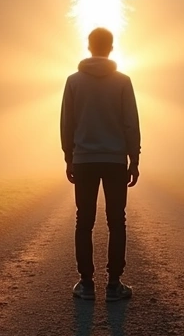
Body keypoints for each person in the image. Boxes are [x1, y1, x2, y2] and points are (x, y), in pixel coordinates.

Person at [60, 27, 140, 302]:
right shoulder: (123, 81)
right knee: (117, 222)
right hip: (116, 160)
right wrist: (134, 159)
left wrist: (68, 157)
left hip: (84, 160)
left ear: (89, 46)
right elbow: (131, 123)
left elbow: (67, 123)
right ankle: (114, 284)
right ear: (111, 47)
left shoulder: (73, 82)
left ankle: (86, 284)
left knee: (84, 221)